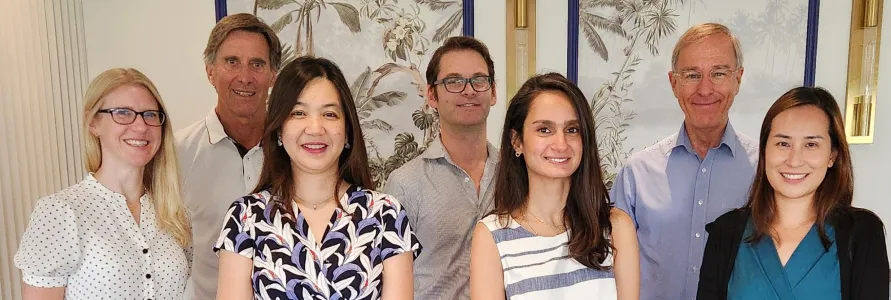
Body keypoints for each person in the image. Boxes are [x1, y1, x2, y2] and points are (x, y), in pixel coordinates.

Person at [213, 56, 421, 300]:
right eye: (298, 112)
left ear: (347, 132)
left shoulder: (386, 215)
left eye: (330, 114)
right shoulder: (246, 217)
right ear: (279, 129)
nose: (315, 128)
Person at [610, 22, 758, 300]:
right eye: (692, 75)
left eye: (719, 73)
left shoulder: (766, 171)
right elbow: (610, 268)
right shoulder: (637, 174)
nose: (705, 89)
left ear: (738, 79)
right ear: (673, 82)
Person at [15, 68, 192, 300]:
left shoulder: (175, 214)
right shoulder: (60, 212)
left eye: (150, 114)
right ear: (93, 124)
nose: (140, 126)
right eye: (123, 113)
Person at [697, 86, 889, 300]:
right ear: (764, 151)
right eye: (783, 143)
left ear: (832, 155)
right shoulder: (726, 232)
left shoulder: (862, 233)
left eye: (811, 144)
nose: (794, 160)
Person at [470, 73, 640, 299]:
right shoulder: (492, 235)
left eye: (572, 130)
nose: (560, 144)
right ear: (517, 141)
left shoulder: (615, 227)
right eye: (544, 130)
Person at [175, 13, 282, 300]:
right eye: (231, 61)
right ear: (210, 71)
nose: (245, 77)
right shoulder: (175, 155)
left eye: (257, 64)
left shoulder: (296, 151)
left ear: (273, 75)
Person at [383, 35, 499, 299]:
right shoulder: (404, 184)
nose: (469, 90)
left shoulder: (516, 174)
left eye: (479, 80)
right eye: (454, 81)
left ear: (493, 93)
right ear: (432, 95)